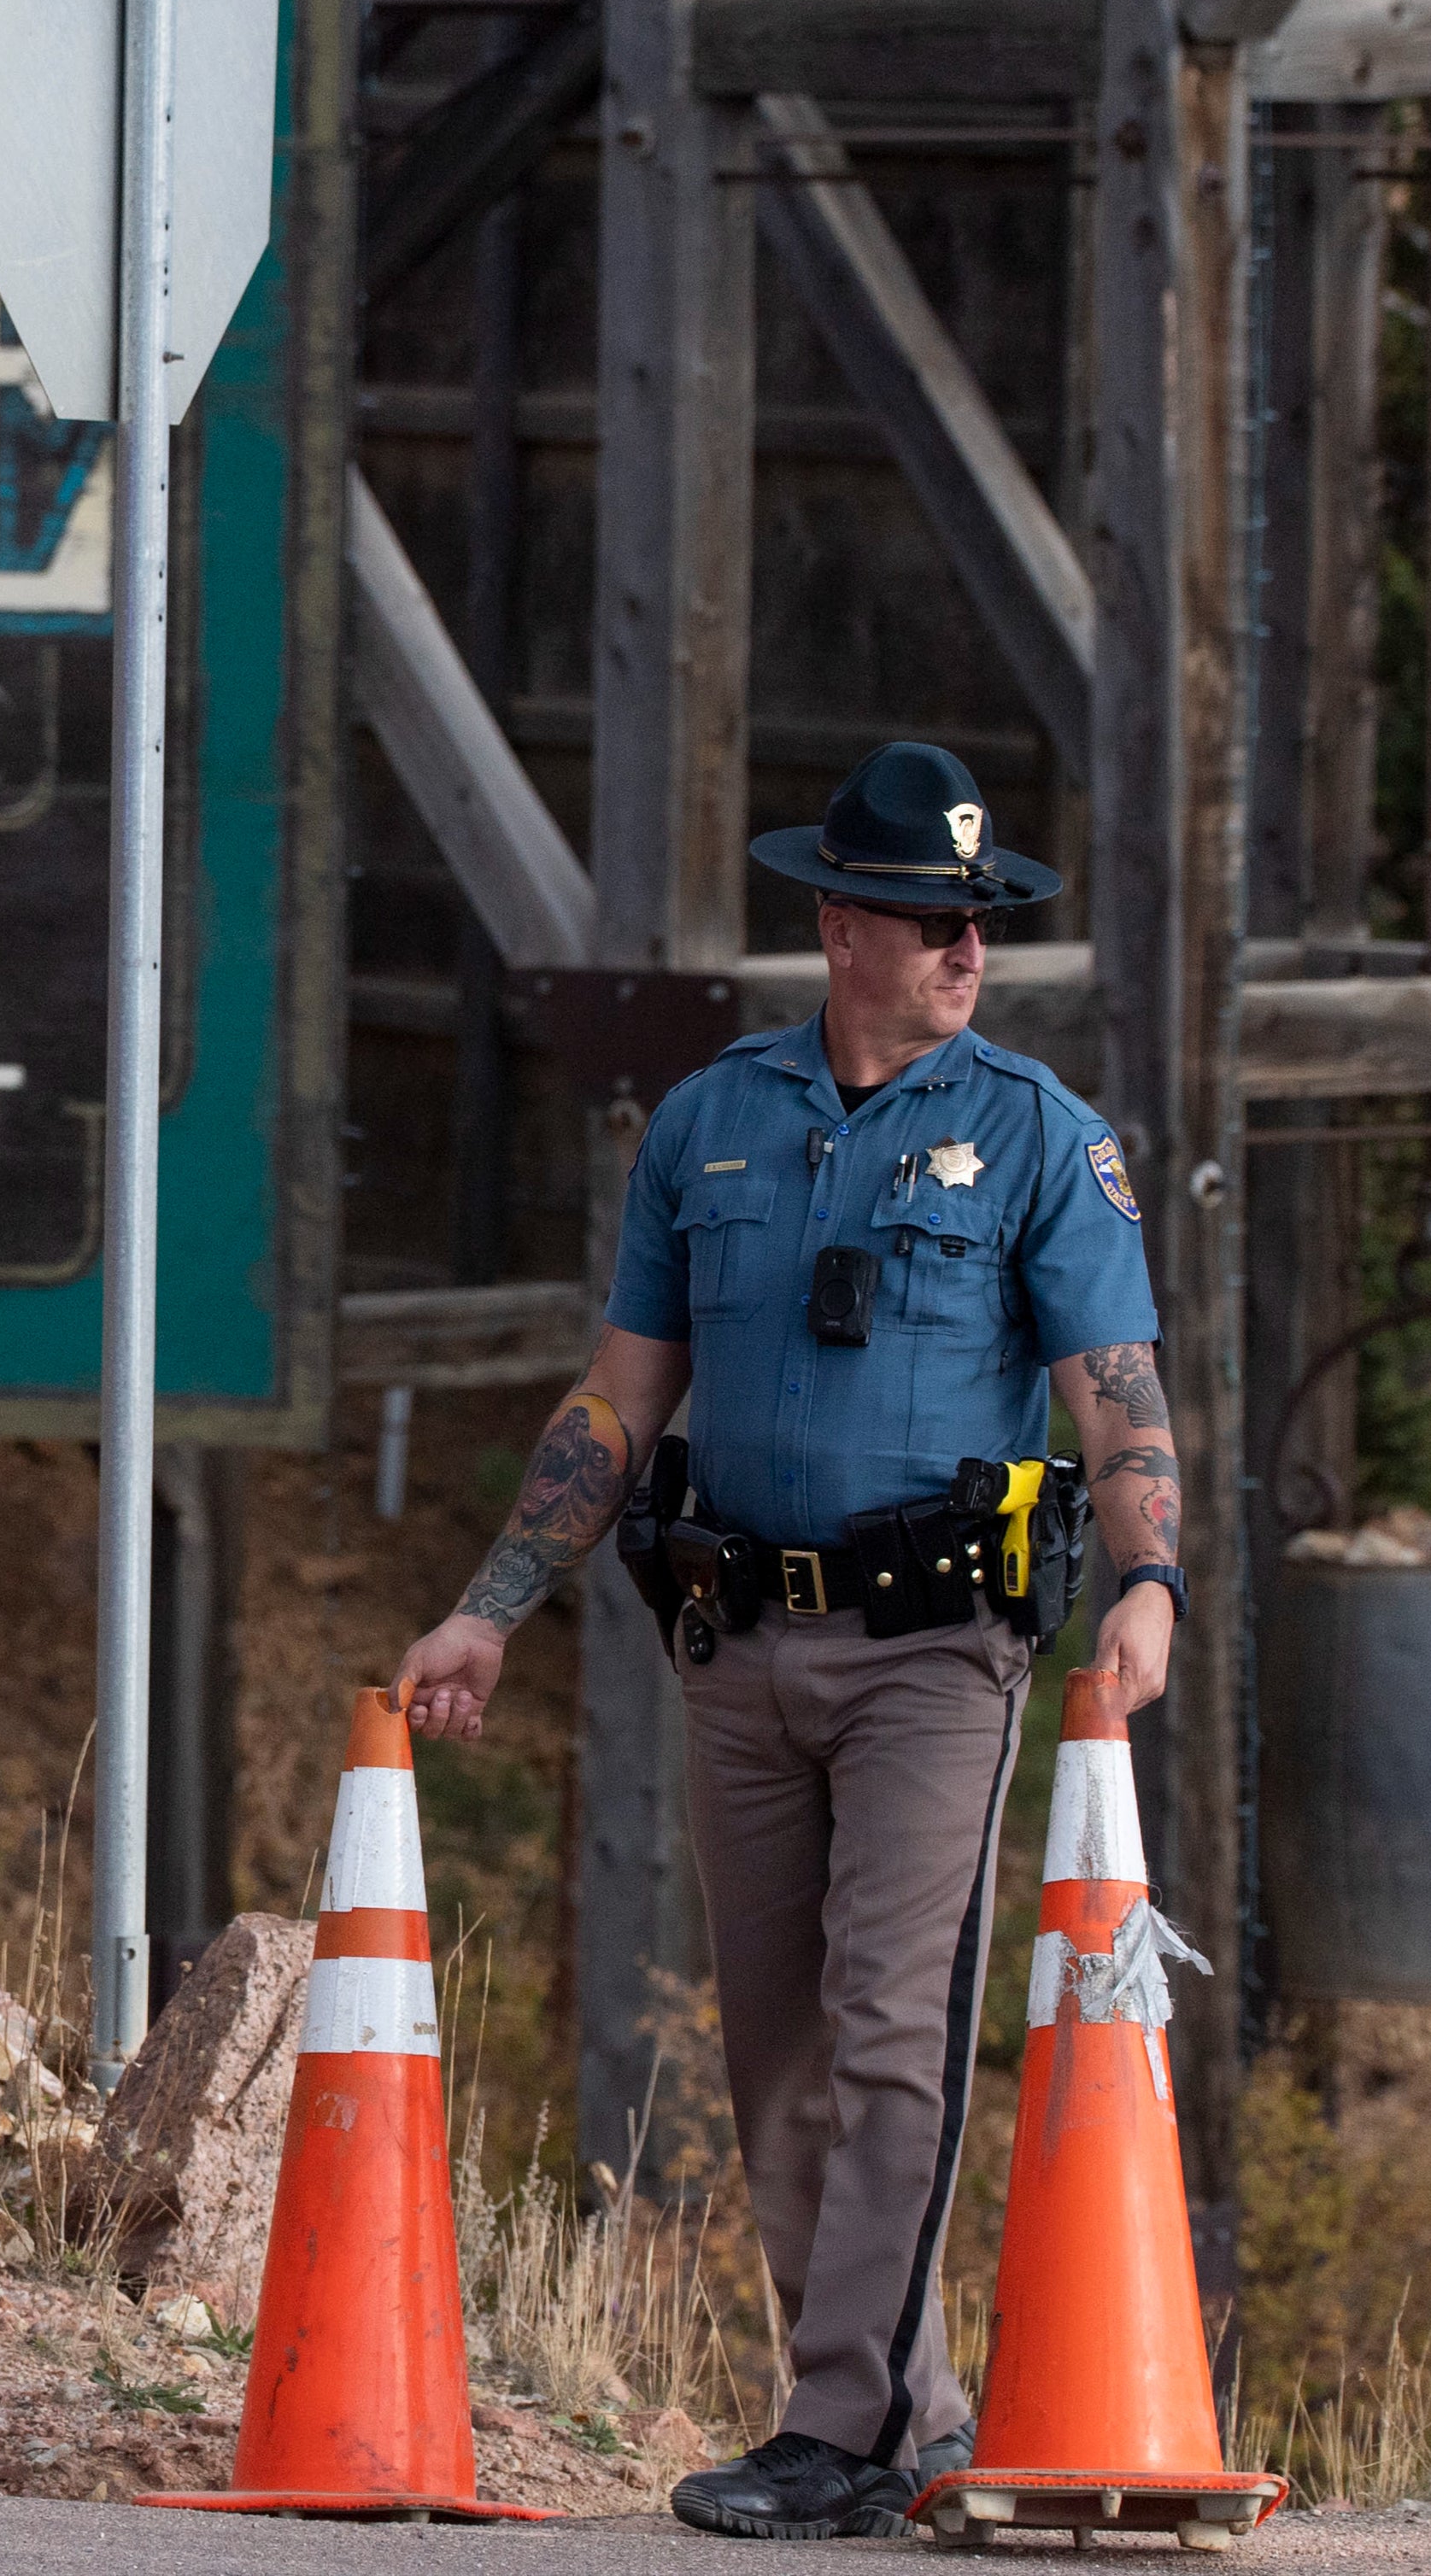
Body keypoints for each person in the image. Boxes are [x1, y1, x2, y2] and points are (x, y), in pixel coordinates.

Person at [391, 742, 1188, 2543]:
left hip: (932, 1652)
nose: (965, 949)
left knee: (892, 2021)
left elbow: (1117, 1403)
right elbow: (614, 1398)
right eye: (930, 918)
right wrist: (492, 1603)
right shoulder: (705, 1122)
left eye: (978, 920)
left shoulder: (1044, 1138)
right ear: (839, 922)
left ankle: (833, 2420)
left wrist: (1147, 1581)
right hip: (733, 1634)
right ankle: (897, 2417)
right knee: (774, 2040)